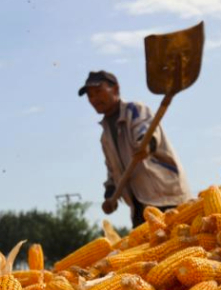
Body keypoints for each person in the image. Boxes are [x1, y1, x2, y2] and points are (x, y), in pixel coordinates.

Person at [79, 71, 191, 227]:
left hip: (165, 196)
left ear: (116, 89)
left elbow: (146, 133)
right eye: (90, 96)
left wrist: (144, 145)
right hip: (138, 204)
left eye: (98, 92)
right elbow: (113, 170)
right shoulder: (105, 136)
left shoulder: (135, 111)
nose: (94, 99)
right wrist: (110, 195)